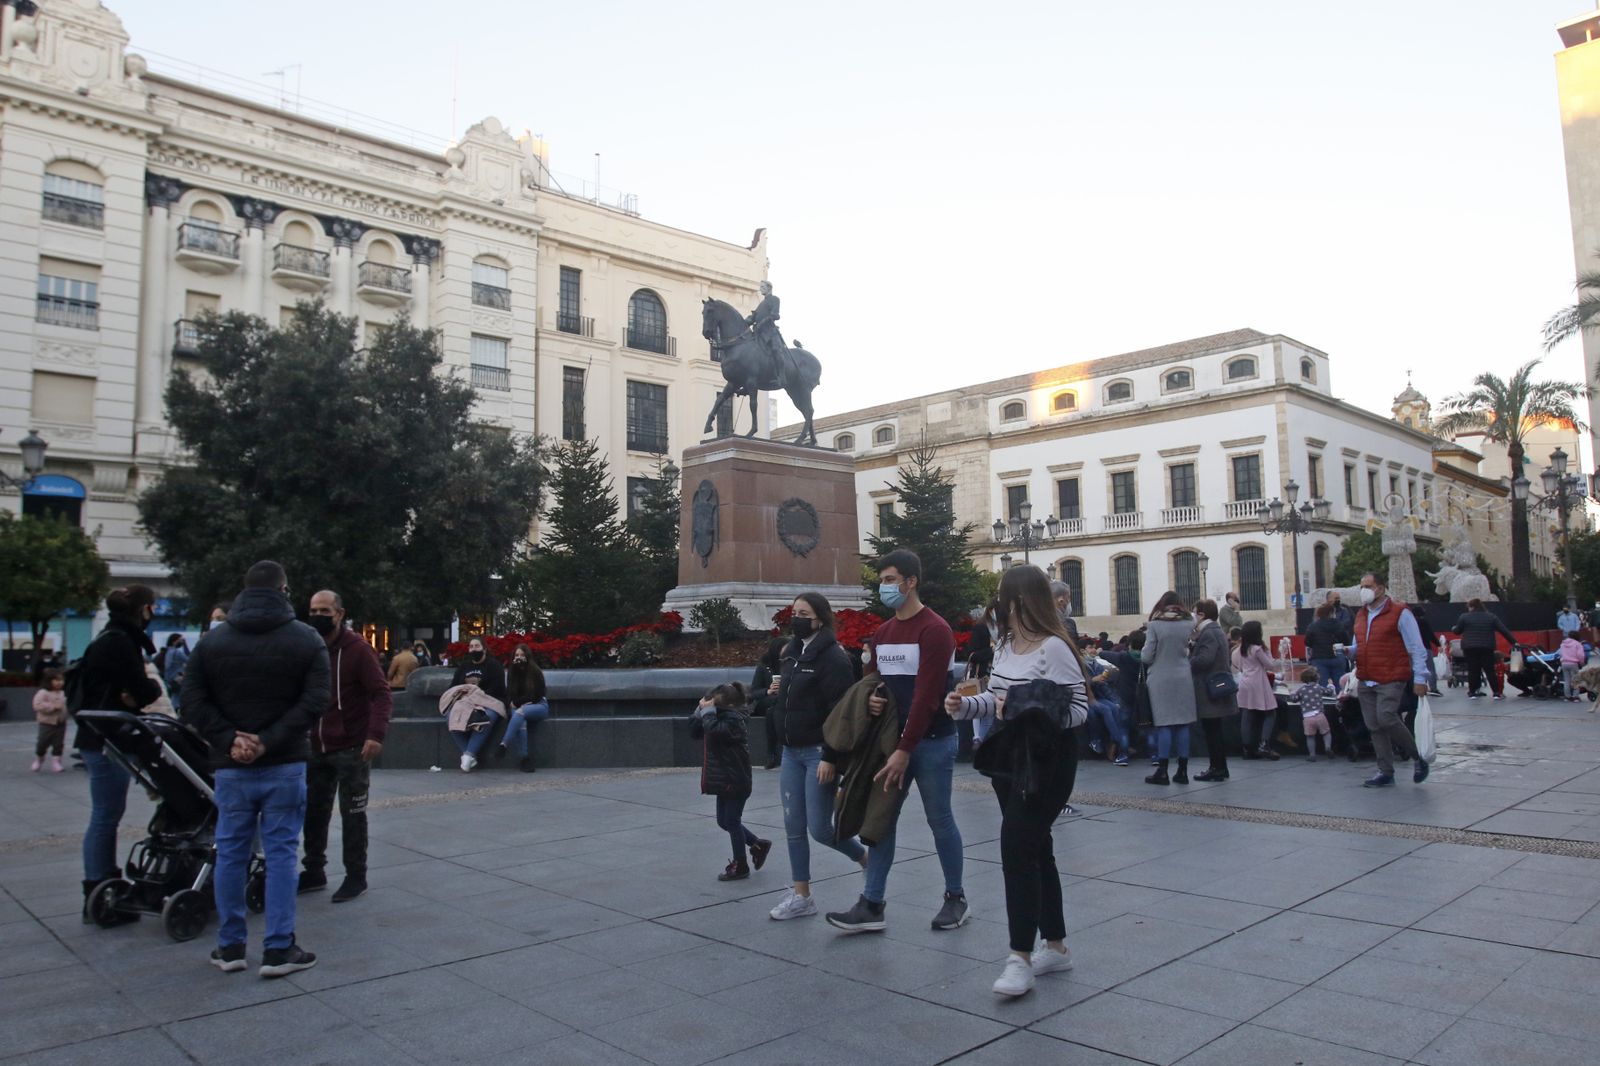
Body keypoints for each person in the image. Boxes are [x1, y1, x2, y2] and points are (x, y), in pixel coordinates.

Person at [182, 560, 329, 977]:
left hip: (231, 767)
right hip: (284, 763)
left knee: (231, 851)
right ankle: (279, 948)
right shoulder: (306, 639)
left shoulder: (213, 642)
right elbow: (315, 700)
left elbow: (191, 701)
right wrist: (268, 740)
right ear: (284, 589)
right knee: (282, 853)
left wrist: (231, 740)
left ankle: (230, 946)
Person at [946, 564, 1086, 997]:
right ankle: (1056, 947)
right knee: (1036, 848)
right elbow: (996, 697)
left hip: (1048, 759)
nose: (996, 605)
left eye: (1002, 596)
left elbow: (1079, 709)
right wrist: (965, 707)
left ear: (1020, 600)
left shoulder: (1054, 647)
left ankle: (1019, 957)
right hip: (1010, 754)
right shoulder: (1004, 644)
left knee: (1017, 848)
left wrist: (1022, 704)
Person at [825, 549, 965, 934]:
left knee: (940, 819)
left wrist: (905, 749)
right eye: (881, 581)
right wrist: (871, 700)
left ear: (910, 581)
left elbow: (928, 695)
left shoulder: (934, 630)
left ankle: (955, 897)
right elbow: (873, 682)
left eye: (889, 580)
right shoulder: (884, 633)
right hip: (890, 745)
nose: (884, 587)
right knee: (881, 820)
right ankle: (872, 903)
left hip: (931, 742)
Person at [767, 594, 868, 920]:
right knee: (793, 826)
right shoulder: (791, 653)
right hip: (790, 752)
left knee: (821, 830)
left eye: (804, 614)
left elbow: (841, 711)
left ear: (821, 619)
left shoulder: (833, 658)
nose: (796, 618)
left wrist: (830, 756)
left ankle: (865, 860)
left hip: (816, 753)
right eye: (794, 612)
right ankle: (802, 895)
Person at [76, 585, 163, 925]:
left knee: (104, 815)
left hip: (95, 734)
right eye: (150, 607)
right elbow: (140, 691)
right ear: (143, 609)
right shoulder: (122, 643)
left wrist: (134, 696)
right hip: (110, 738)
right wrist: (149, 689)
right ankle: (101, 888)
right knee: (106, 815)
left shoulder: (105, 638)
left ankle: (99, 886)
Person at [299, 590, 390, 904]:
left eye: (324, 610)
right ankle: (313, 870)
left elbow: (381, 693)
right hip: (315, 744)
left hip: (351, 746)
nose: (318, 616)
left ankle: (356, 876)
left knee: (353, 812)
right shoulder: (307, 647)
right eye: (313, 610)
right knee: (313, 810)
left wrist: (374, 734)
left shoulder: (358, 650)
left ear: (339, 613)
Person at [1349, 571, 1431, 788]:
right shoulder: (1361, 615)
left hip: (1391, 675)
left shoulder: (1400, 612)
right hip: (1366, 677)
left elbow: (1416, 647)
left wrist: (1421, 677)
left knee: (1386, 717)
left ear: (1380, 588)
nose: (1364, 590)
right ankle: (1385, 771)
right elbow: (1359, 645)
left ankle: (1417, 756)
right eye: (1361, 586)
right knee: (1374, 726)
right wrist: (1349, 651)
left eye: (1368, 586)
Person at [691, 682, 769, 881]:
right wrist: (700, 711)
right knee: (723, 821)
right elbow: (694, 731)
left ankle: (740, 864)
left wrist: (708, 712)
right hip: (725, 779)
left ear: (727, 706)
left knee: (732, 822)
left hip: (735, 779)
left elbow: (715, 730)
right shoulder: (719, 716)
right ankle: (757, 844)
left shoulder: (735, 720)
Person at [1143, 592, 1198, 785]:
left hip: (1160, 677)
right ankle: (1182, 771)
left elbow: (1147, 656)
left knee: (1164, 723)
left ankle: (1163, 770)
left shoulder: (1155, 625)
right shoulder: (1189, 623)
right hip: (1183, 676)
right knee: (1183, 724)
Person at [1188, 600, 1238, 782]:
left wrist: (1188, 661)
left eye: (1194, 613)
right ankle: (1220, 767)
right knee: (1214, 730)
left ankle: (1216, 768)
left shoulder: (1209, 633)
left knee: (1212, 731)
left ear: (1202, 614)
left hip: (1209, 688)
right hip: (1215, 685)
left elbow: (1205, 659)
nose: (1192, 617)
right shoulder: (1215, 631)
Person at [448, 637, 506, 771]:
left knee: (486, 718)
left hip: (489, 702)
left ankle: (468, 755)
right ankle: (468, 756)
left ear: (484, 649)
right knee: (451, 717)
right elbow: (453, 687)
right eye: (471, 646)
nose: (473, 649)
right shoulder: (464, 666)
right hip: (465, 703)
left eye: (477, 646)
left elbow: (497, 689)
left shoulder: (494, 666)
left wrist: (476, 699)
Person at [1234, 621, 1282, 760]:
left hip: (1245, 681)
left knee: (1247, 714)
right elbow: (1270, 665)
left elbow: (1238, 665)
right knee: (1270, 712)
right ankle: (1264, 744)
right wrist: (1268, 651)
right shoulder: (1257, 649)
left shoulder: (1242, 649)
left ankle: (1247, 748)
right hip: (1258, 682)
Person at [1452, 598, 1516, 700]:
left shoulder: (1464, 617)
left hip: (1470, 647)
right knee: (1490, 670)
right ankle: (1496, 693)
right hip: (1487, 647)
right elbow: (1503, 630)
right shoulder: (1491, 617)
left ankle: (1472, 692)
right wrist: (1514, 642)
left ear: (1472, 607)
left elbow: (1457, 631)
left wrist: (1453, 628)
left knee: (1473, 670)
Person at [499, 644, 549, 772]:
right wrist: (516, 672)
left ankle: (504, 744)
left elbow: (537, 695)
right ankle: (524, 758)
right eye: (516, 655)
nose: (519, 658)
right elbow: (510, 694)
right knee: (520, 718)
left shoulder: (535, 671)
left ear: (527, 656)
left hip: (539, 706)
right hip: (519, 707)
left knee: (519, 712)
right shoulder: (512, 671)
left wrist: (519, 702)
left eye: (522, 655)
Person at [752, 636, 788, 770]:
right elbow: (754, 692)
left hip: (782, 701)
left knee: (774, 709)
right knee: (772, 708)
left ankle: (773, 753)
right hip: (766, 701)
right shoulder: (763, 667)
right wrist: (768, 690)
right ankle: (771, 753)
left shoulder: (790, 663)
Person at [744, 279, 786, 381]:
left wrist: (763, 322)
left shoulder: (775, 299)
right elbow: (754, 317)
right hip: (759, 333)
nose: (761, 289)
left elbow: (775, 315)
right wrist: (744, 321)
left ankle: (781, 376)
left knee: (776, 350)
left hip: (770, 332)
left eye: (762, 287)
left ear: (769, 288)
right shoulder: (761, 303)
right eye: (760, 287)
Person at [1291, 666, 1335, 760]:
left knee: (1310, 736)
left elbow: (1294, 699)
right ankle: (1327, 747)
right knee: (1326, 732)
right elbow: (1329, 692)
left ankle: (1312, 755)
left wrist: (1292, 692)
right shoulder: (1318, 687)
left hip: (1307, 718)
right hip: (1320, 715)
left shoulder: (1301, 690)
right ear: (1317, 678)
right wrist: (1330, 685)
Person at [32, 668, 68, 773]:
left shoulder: (63, 693)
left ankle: (56, 762)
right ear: (49, 681)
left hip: (60, 722)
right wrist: (53, 706)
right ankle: (39, 758)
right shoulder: (43, 692)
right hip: (46, 723)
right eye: (56, 680)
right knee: (42, 742)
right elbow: (37, 705)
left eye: (61, 680)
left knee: (58, 743)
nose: (59, 683)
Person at [1305, 604, 1347, 686]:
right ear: (1331, 613)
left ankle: (1324, 698)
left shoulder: (1313, 626)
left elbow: (1307, 642)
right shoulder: (1338, 624)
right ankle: (1339, 697)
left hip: (1319, 659)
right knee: (1340, 685)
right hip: (1337, 657)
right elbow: (1346, 640)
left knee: (1321, 685)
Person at [1560, 631, 1586, 702]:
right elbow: (1580, 655)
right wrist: (1582, 663)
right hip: (1573, 663)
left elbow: (1560, 653)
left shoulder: (1563, 643)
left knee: (1567, 681)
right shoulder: (1577, 644)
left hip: (1564, 663)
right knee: (1575, 680)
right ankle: (1575, 697)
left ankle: (1567, 697)